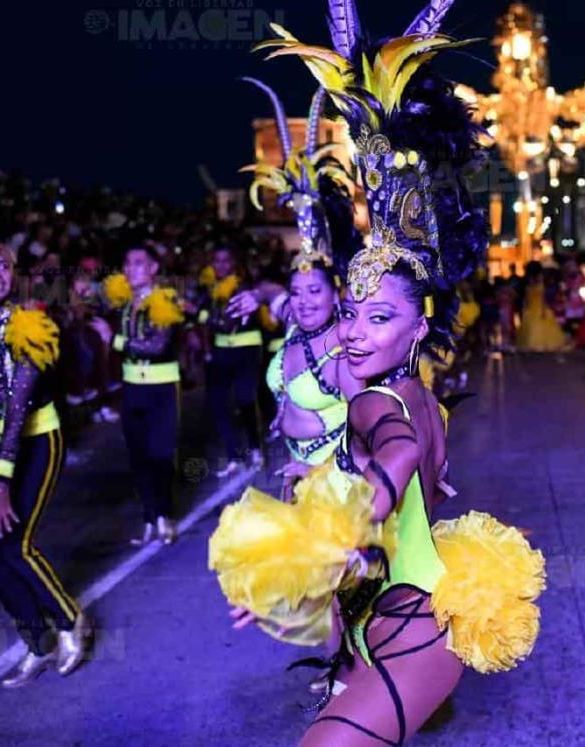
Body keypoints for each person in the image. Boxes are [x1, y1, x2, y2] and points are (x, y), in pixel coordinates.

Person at [217, 7, 547, 743]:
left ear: (419, 327)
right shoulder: (415, 389)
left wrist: (318, 536)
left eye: (380, 319)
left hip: (412, 637)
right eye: (353, 314)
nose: (357, 334)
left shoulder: (379, 400)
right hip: (380, 618)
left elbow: (392, 456)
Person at [0, 245, 89, 688]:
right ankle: (37, 642)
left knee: (17, 543)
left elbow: (17, 410)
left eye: (4, 265)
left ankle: (70, 621)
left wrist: (0, 481)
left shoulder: (29, 327)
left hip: (36, 440)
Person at [228, 80, 362, 497]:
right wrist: (259, 294)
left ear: (336, 294)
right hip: (296, 466)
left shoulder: (344, 341)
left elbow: (372, 422)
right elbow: (274, 294)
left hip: (336, 476)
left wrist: (327, 465)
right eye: (297, 292)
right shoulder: (296, 323)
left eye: (314, 293)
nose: (303, 302)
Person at [92, 245, 184, 546]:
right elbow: (93, 302)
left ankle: (164, 515)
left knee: (161, 454)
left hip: (161, 388)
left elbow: (156, 346)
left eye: (139, 263)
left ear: (154, 268)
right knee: (138, 457)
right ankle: (149, 517)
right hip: (133, 389)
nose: (131, 269)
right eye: (127, 264)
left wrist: (113, 339)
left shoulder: (166, 299)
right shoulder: (125, 302)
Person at [203, 246, 264, 478]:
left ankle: (256, 449)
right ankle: (234, 456)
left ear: (234, 264)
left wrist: (200, 314)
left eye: (225, 260)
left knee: (245, 400)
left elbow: (226, 323)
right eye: (216, 261)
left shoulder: (243, 288)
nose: (220, 266)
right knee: (218, 404)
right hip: (221, 352)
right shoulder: (211, 290)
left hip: (246, 350)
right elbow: (209, 324)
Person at [516, 261, 569, 353]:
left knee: (531, 328)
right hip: (540, 308)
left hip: (531, 309)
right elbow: (543, 298)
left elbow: (526, 299)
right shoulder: (539, 281)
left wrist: (524, 309)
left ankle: (531, 345)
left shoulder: (528, 282)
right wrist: (544, 310)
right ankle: (538, 345)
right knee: (540, 327)